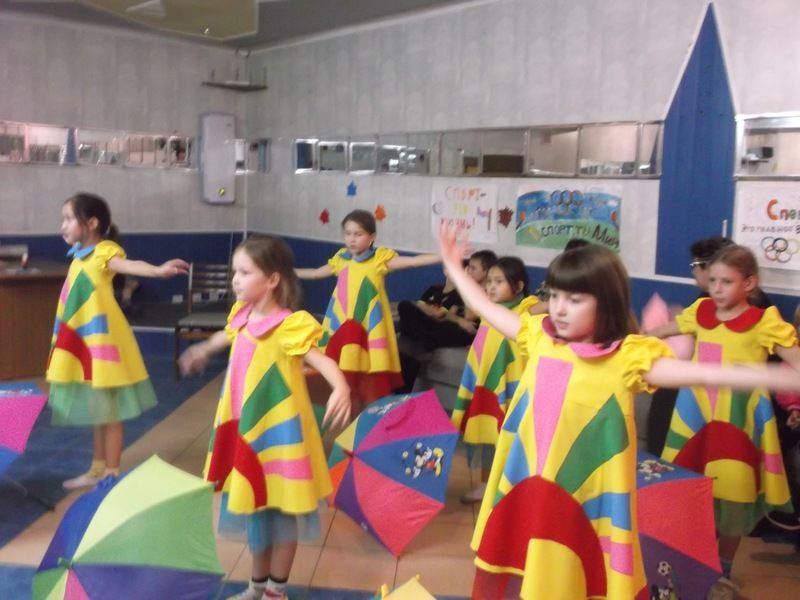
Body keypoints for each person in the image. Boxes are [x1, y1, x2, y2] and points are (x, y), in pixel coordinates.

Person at [437, 224, 800, 599]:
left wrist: (778, 376)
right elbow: (484, 307)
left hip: (585, 496)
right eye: (555, 295)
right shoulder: (539, 335)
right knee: (530, 563)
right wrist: (453, 266)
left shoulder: (626, 357)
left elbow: (706, 372)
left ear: (606, 303)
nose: (559, 307)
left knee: (575, 569)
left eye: (575, 299)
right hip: (531, 481)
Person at [179, 235, 350, 600]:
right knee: (256, 509)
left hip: (279, 437)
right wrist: (203, 349)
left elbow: (322, 361)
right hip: (247, 433)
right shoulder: (241, 317)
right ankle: (257, 587)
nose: (235, 280)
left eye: (245, 272)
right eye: (234, 272)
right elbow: (225, 338)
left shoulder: (289, 326)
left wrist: (341, 386)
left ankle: (276, 591)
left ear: (272, 279)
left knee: (284, 512)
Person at [649, 244, 800, 595]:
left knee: (735, 494)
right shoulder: (701, 311)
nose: (716, 288)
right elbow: (662, 331)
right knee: (691, 491)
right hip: (696, 417)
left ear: (749, 283)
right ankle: (694, 563)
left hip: (738, 423)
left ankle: (724, 569)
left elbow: (794, 358)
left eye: (726, 281)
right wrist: (623, 340)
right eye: (713, 280)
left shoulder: (764, 322)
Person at [47, 192, 189, 489]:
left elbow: (130, 265)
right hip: (84, 343)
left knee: (110, 413)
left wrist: (158, 270)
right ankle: (96, 469)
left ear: (91, 223)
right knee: (99, 411)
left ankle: (111, 474)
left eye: (68, 219)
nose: (63, 226)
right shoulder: (78, 255)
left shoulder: (104, 252)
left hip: (103, 345)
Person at [296, 209, 440, 410]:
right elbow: (315, 274)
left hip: (367, 327)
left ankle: (364, 414)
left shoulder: (378, 259)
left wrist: (443, 256)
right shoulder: (341, 259)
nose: (352, 239)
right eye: (348, 233)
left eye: (358, 234)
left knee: (365, 373)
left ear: (372, 237)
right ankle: (345, 406)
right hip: (342, 325)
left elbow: (411, 263)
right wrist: (285, 271)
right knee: (342, 369)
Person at [452, 256, 544, 504]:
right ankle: (485, 484)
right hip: (486, 383)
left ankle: (514, 487)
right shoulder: (487, 307)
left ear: (519, 286)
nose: (491, 286)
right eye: (489, 281)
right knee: (486, 433)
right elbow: (471, 305)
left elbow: (545, 308)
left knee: (511, 437)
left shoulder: (525, 307)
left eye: (499, 281)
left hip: (511, 384)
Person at [395, 250, 497, 393]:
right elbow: (449, 315)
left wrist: (464, 284)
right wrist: (459, 320)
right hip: (450, 325)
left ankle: (402, 392)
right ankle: (422, 340)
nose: (468, 271)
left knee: (412, 340)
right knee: (405, 306)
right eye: (468, 267)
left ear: (486, 272)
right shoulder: (467, 290)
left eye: (473, 268)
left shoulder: (488, 291)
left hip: (468, 333)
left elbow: (469, 316)